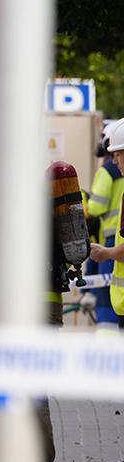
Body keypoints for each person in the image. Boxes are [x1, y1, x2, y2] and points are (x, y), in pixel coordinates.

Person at [86, 121, 123, 331]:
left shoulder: (106, 171)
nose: (114, 160)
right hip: (114, 243)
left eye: (117, 154)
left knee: (104, 298)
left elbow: (95, 207)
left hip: (112, 242)